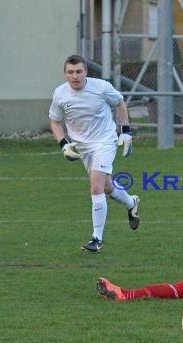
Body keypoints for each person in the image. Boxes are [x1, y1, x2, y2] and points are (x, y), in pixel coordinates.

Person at [49, 54, 140, 252]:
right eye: (70, 72)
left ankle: (96, 239)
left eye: (79, 71)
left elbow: (120, 104)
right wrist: (64, 144)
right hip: (82, 147)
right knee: (107, 187)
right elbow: (55, 121)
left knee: (96, 187)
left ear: (86, 72)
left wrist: (125, 132)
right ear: (65, 74)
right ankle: (131, 202)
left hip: (105, 141)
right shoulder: (60, 94)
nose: (75, 76)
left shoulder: (101, 87)